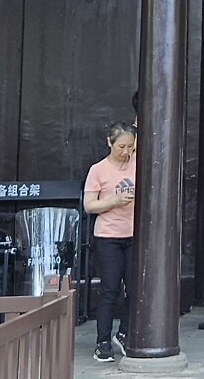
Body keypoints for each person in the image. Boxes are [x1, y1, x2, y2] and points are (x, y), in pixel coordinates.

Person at [84, 122, 137, 363]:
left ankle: (124, 333)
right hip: (108, 236)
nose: (126, 152)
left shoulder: (138, 163)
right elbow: (89, 205)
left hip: (134, 235)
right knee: (110, 290)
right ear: (109, 142)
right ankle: (102, 341)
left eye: (130, 146)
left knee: (135, 288)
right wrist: (114, 201)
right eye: (121, 146)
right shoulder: (98, 170)